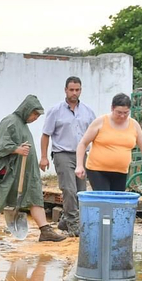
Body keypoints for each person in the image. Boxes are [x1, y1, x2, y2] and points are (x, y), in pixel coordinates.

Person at [0, 95, 67, 244]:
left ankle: (45, 230)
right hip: (10, 172)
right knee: (0, 197)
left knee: (35, 196)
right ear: (26, 110)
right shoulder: (10, 122)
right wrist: (17, 149)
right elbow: (0, 145)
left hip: (26, 172)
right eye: (34, 114)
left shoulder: (23, 124)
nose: (35, 118)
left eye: (38, 115)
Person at [40, 75, 97, 233]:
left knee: (81, 191)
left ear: (81, 90)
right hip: (62, 153)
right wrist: (44, 157)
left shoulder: (88, 112)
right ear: (65, 90)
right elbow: (45, 134)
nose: (74, 93)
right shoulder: (55, 111)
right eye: (71, 90)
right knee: (69, 189)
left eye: (77, 90)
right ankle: (74, 225)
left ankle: (65, 220)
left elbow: (95, 134)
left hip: (82, 155)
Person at [75, 92, 142, 191]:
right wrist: (79, 165)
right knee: (105, 199)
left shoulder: (134, 125)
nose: (122, 116)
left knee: (117, 202)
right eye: (119, 112)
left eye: (126, 113)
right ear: (112, 108)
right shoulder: (100, 122)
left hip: (121, 171)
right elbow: (83, 144)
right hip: (97, 170)